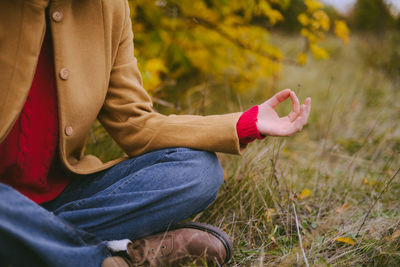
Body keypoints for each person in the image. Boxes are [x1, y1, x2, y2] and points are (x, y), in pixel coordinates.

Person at [0, 0, 311, 266]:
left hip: (63, 197)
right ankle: (111, 258)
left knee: (198, 171)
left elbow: (135, 123)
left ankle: (27, 240)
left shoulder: (110, 8)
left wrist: (245, 124)